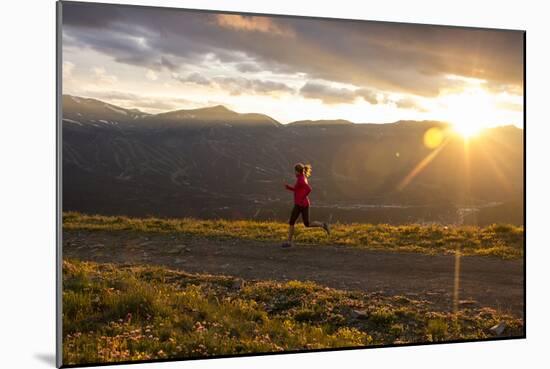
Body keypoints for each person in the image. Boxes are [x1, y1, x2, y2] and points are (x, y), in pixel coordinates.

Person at [282, 163, 330, 248]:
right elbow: (297, 189)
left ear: (297, 171)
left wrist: (302, 197)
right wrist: (289, 188)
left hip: (301, 204)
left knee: (295, 222)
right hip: (302, 204)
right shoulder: (301, 177)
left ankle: (289, 242)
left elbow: (309, 189)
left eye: (295, 171)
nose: (294, 172)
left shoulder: (301, 179)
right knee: (304, 223)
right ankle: (323, 225)